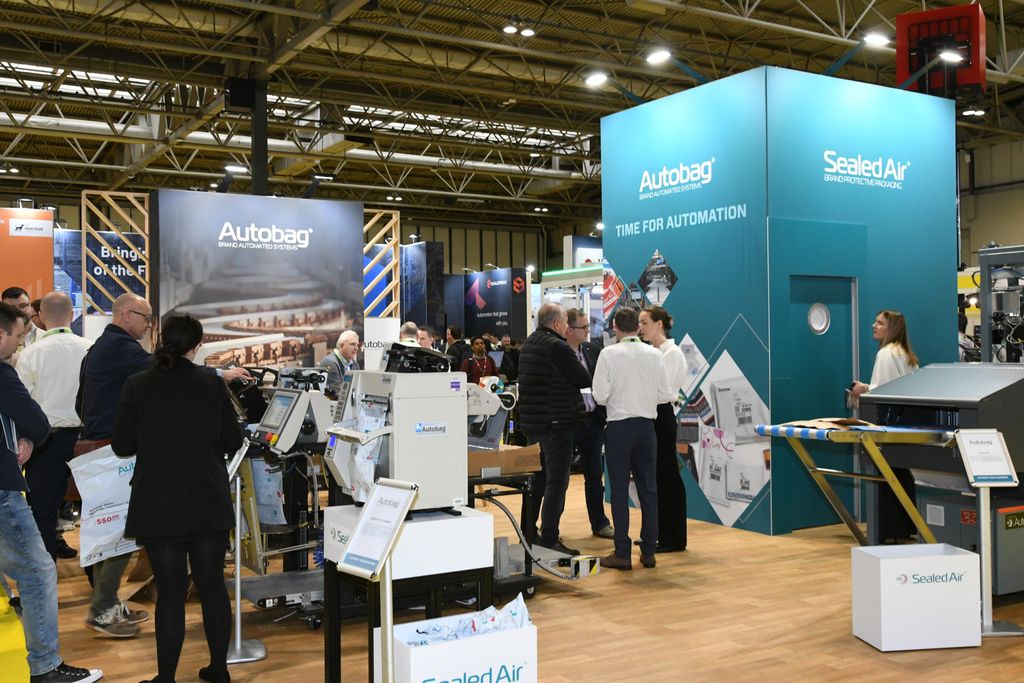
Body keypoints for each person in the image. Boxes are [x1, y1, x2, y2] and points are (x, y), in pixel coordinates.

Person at [77, 294, 248, 638]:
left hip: (110, 447)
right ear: (126, 315)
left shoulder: (100, 348)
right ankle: (103, 607)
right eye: (145, 317)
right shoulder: (122, 350)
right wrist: (219, 374)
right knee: (117, 534)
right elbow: (164, 369)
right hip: (119, 452)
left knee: (114, 532)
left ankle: (106, 602)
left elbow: (82, 400)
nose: (147, 325)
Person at [113, 315, 242, 683]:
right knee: (212, 585)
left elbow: (122, 445)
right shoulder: (212, 383)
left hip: (158, 500)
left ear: (160, 337)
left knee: (170, 593)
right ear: (196, 346)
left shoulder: (138, 384)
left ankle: (166, 677)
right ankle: (218, 669)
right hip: (207, 497)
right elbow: (232, 440)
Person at [0, 302, 104, 683]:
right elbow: (33, 418)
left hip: (42, 450)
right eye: (17, 335)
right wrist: (28, 435)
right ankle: (46, 665)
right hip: (76, 442)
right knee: (41, 568)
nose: (20, 342)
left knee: (43, 518)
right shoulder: (87, 349)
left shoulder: (30, 356)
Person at [592, 307, 672, 571]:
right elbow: (664, 395)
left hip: (619, 427)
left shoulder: (608, 354)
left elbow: (600, 396)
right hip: (647, 428)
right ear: (637, 327)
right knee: (649, 489)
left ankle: (622, 553)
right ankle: (648, 551)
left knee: (618, 490)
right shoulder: (655, 354)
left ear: (615, 327)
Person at [16, 292, 93, 561]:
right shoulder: (91, 348)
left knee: (42, 511)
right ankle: (94, 574)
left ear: (40, 316)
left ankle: (47, 572)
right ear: (72, 314)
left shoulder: (30, 354)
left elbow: (24, 404)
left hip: (46, 441)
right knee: (95, 508)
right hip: (87, 440)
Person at [517, 303, 591, 555]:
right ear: (557, 324)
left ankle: (528, 534)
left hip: (534, 424)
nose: (567, 328)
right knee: (557, 482)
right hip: (556, 423)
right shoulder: (557, 347)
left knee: (537, 482)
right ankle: (549, 538)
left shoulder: (529, 343)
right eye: (566, 323)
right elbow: (583, 378)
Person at [639, 306, 689, 553]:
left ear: (659, 324)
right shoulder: (655, 352)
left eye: (644, 323)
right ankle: (661, 534)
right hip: (653, 414)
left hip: (662, 416)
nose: (640, 328)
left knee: (667, 475)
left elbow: (664, 390)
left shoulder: (671, 353)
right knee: (658, 476)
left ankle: (674, 538)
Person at [565, 309, 612, 540]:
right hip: (568, 422)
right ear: (569, 329)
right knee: (558, 479)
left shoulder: (592, 350)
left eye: (587, 326)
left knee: (594, 476)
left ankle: (600, 523)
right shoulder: (559, 353)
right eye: (583, 327)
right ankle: (549, 529)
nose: (587, 331)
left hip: (593, 422)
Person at [851, 309, 920, 398]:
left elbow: (885, 391)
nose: (874, 325)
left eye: (880, 323)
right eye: (875, 322)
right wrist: (867, 387)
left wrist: (865, 389)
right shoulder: (905, 352)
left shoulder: (886, 353)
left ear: (892, 329)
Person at [2, 286, 41, 362]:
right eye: (12, 308)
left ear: (30, 306)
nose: (19, 311)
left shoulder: (46, 337)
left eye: (23, 306)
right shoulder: (2, 340)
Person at [319, 329, 359, 396]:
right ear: (342, 346)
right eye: (352, 344)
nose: (356, 348)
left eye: (357, 345)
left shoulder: (355, 364)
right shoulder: (329, 363)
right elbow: (336, 393)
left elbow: (357, 388)